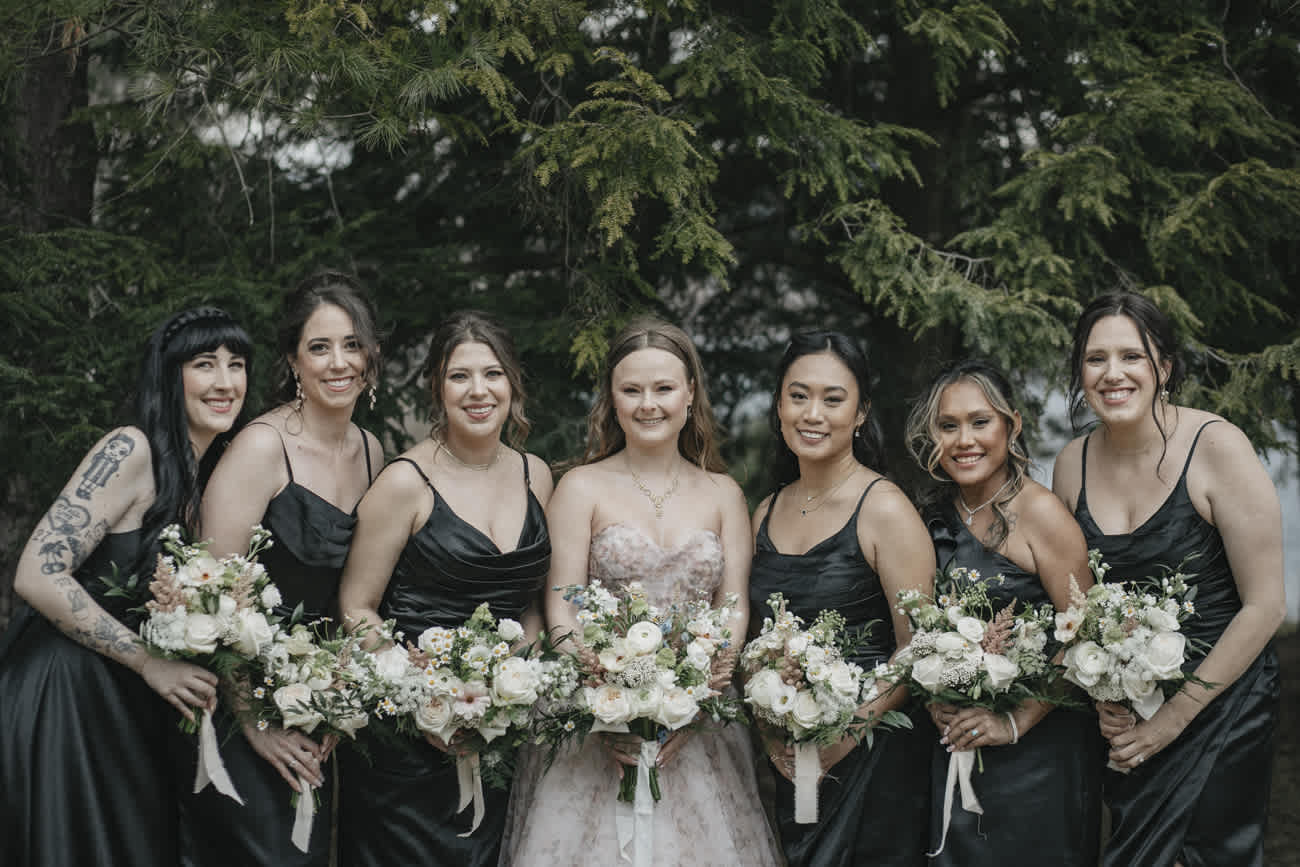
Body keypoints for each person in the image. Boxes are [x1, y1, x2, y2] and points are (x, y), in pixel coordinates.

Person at [502, 318, 782, 866]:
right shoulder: (580, 487)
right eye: (631, 390)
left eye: (663, 388)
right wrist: (607, 702)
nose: (648, 404)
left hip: (698, 724)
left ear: (690, 393)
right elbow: (560, 608)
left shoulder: (724, 494)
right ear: (612, 398)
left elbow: (733, 608)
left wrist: (695, 699)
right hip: (596, 718)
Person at [0, 307, 252, 867]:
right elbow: (37, 573)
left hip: (125, 709)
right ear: (169, 374)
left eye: (236, 365)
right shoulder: (130, 450)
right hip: (65, 694)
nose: (225, 382)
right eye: (204, 364)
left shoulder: (212, 475)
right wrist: (147, 661)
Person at [1052, 292, 1283, 867]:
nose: (1113, 373)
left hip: (1222, 705)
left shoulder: (1217, 446)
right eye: (1095, 358)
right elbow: (1080, 607)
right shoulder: (1071, 464)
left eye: (1131, 356)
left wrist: (1173, 720)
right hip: (1130, 717)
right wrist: (1103, 694)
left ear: (1165, 366)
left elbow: (1266, 606)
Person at [177, 273, 384, 867]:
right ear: (294, 361)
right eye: (319, 348)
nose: (338, 362)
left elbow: (357, 597)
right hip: (237, 710)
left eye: (352, 345)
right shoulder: (262, 447)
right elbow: (209, 593)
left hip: (315, 707)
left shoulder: (372, 452)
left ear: (371, 356)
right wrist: (255, 723)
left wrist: (341, 698)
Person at [336, 310, 553, 866]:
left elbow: (530, 600)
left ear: (513, 383)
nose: (479, 391)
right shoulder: (405, 483)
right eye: (460, 376)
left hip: (499, 735)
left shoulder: (536, 474)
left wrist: (520, 679)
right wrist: (423, 698)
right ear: (437, 387)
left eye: (493, 374)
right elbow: (357, 607)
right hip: (407, 746)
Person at [904, 359, 1104, 865]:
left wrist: (1014, 721)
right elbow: (916, 628)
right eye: (948, 426)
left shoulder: (1041, 514)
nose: (964, 440)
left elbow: (1085, 637)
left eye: (980, 422)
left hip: (1038, 758)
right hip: (955, 744)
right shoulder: (930, 517)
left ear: (1011, 425)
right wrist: (933, 696)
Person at [748, 330, 934, 867]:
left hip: (874, 759)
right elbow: (755, 644)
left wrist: (845, 734)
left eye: (833, 399)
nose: (813, 414)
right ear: (779, 406)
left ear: (860, 413)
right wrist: (770, 731)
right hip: (793, 757)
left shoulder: (884, 508)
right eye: (798, 396)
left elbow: (918, 646)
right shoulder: (765, 511)